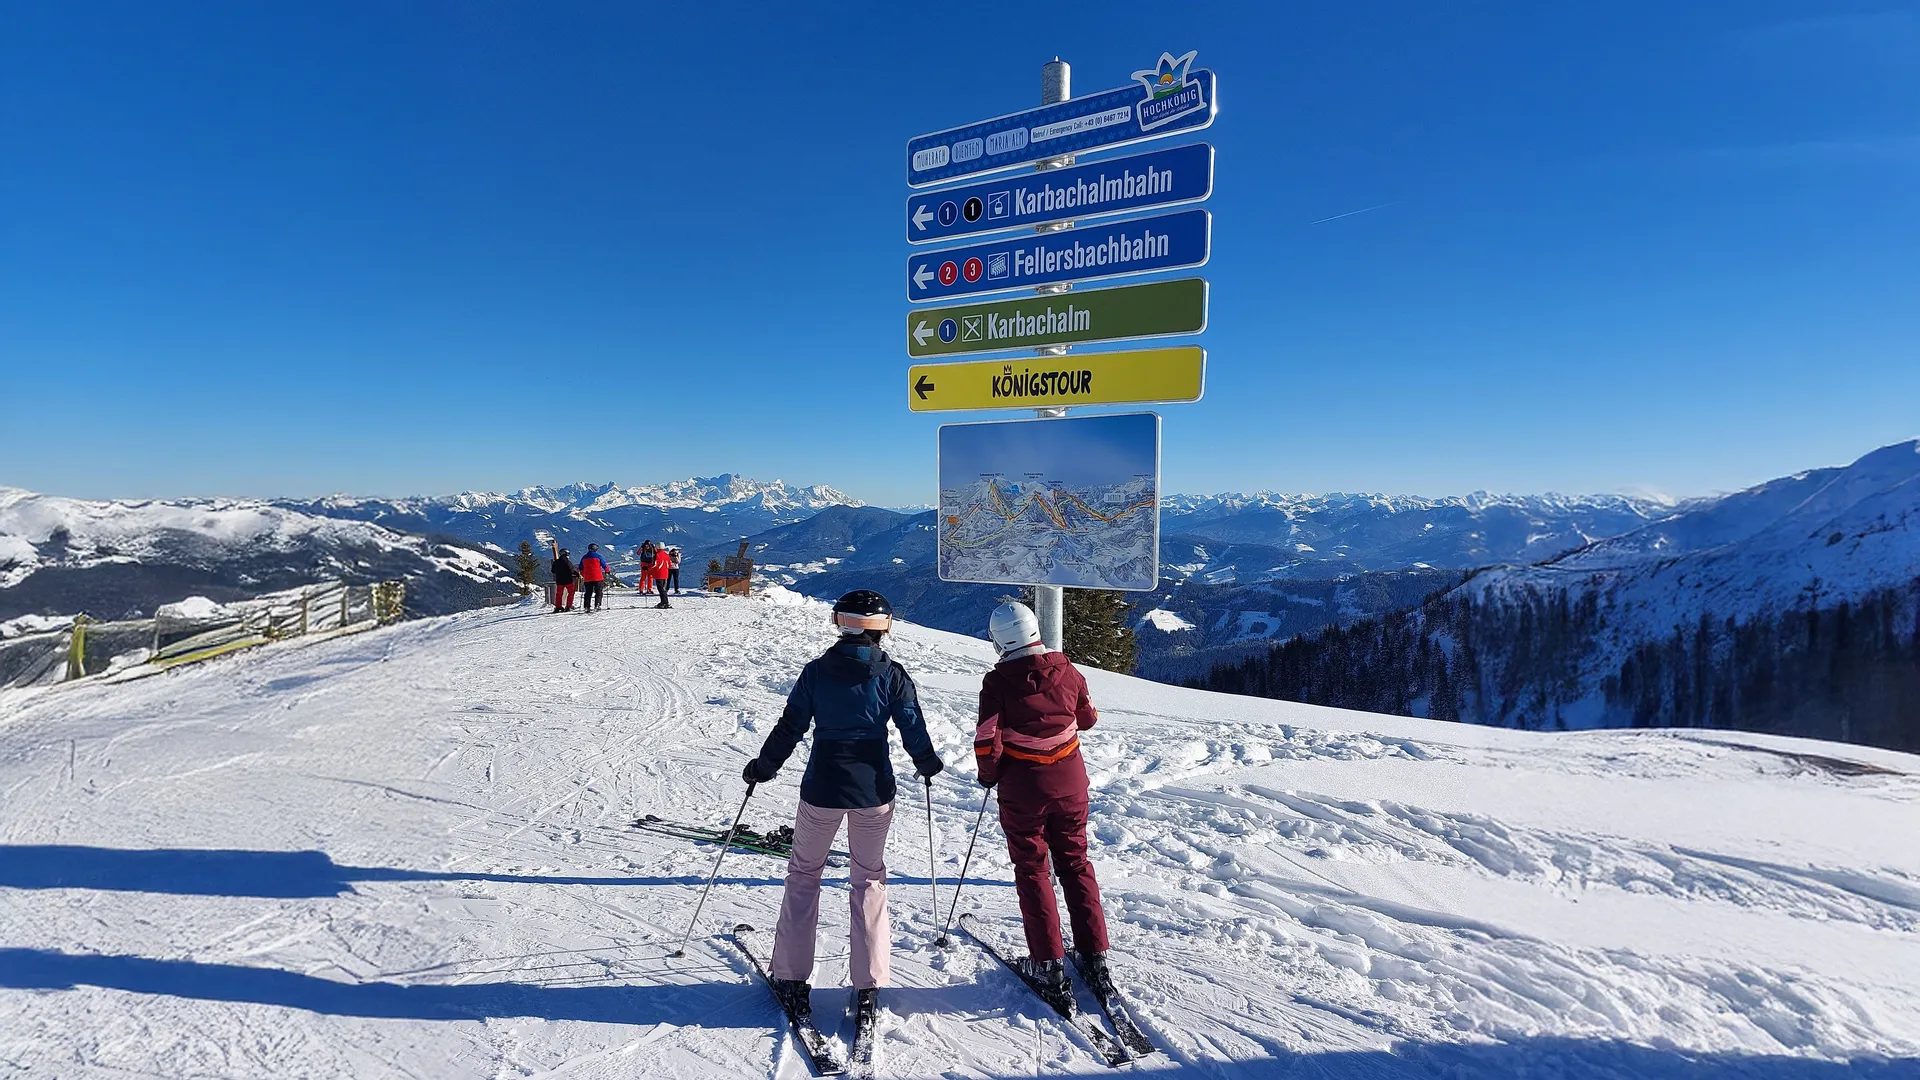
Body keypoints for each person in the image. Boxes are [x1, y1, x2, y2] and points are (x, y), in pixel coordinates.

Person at [741, 590, 943, 1024]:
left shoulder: (816, 672)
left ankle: (791, 977)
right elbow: (911, 725)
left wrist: (764, 767)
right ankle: (868, 984)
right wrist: (926, 763)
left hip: (823, 787)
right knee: (868, 879)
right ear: (882, 628)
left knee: (804, 875)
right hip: (873, 790)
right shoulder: (892, 675)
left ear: (840, 623)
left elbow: (791, 726)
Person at [974, 600, 1112, 1013]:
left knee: (1033, 871)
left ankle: (1048, 965)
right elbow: (1088, 718)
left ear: (999, 641)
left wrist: (989, 774)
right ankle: (1095, 956)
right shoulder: (1067, 670)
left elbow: (987, 739)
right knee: (1076, 865)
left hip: (1024, 790)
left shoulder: (997, 683)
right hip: (1071, 786)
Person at [577, 543, 609, 613]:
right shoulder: (598, 556)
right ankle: (597, 605)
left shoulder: (584, 557)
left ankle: (587, 606)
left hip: (587, 578)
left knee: (588, 593)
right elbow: (605, 565)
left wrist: (584, 575)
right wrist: (607, 572)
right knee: (598, 592)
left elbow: (580, 568)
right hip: (598, 577)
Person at [548, 541, 577, 613]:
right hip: (568, 580)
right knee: (571, 592)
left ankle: (558, 607)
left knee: (559, 594)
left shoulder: (556, 562)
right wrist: (577, 574)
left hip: (559, 580)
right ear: (566, 554)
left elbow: (553, 571)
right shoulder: (567, 561)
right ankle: (568, 606)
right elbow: (571, 569)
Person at [649, 542, 674, 608]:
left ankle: (664, 602)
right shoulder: (666, 555)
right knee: (663, 589)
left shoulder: (657, 555)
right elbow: (670, 565)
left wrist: (649, 569)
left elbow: (655, 565)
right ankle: (664, 602)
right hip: (665, 574)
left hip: (659, 574)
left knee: (661, 589)